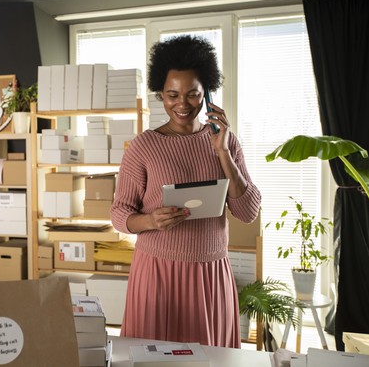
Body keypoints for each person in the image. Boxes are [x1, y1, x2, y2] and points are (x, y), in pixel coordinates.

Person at [110, 35, 261, 348]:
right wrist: (151, 221)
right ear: (160, 95)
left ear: (206, 94)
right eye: (172, 95)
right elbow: (119, 213)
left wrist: (223, 153)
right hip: (158, 272)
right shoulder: (144, 146)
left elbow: (248, 212)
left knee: (209, 358)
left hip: (210, 273)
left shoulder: (226, 141)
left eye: (192, 94)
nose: (182, 104)